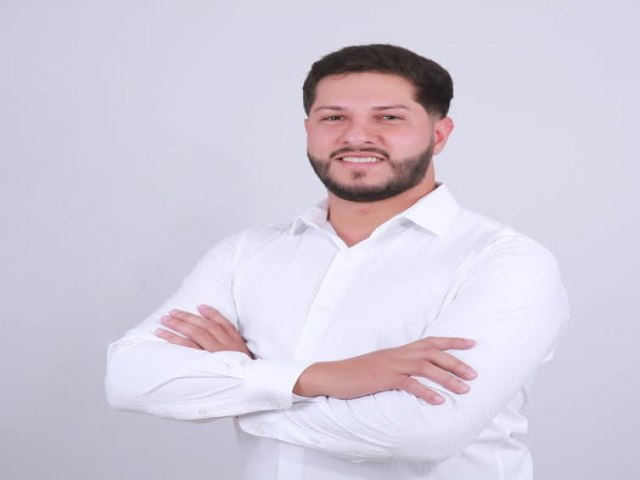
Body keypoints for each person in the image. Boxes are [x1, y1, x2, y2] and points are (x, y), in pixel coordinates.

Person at [106, 44, 569, 479]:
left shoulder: (506, 262)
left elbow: (423, 432)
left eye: (389, 117)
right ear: (308, 129)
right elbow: (129, 378)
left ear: (439, 134)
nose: (356, 136)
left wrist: (247, 390)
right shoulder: (247, 253)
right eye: (333, 117)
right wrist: (325, 378)